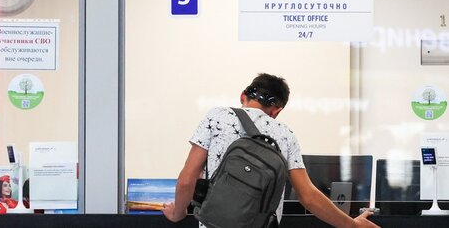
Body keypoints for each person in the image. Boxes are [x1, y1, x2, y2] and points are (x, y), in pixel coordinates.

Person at [163, 73, 380, 228]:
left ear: (243, 96)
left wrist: (177, 213)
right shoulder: (286, 135)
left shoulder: (217, 116)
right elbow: (308, 197)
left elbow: (187, 179)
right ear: (277, 110)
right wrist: (353, 225)